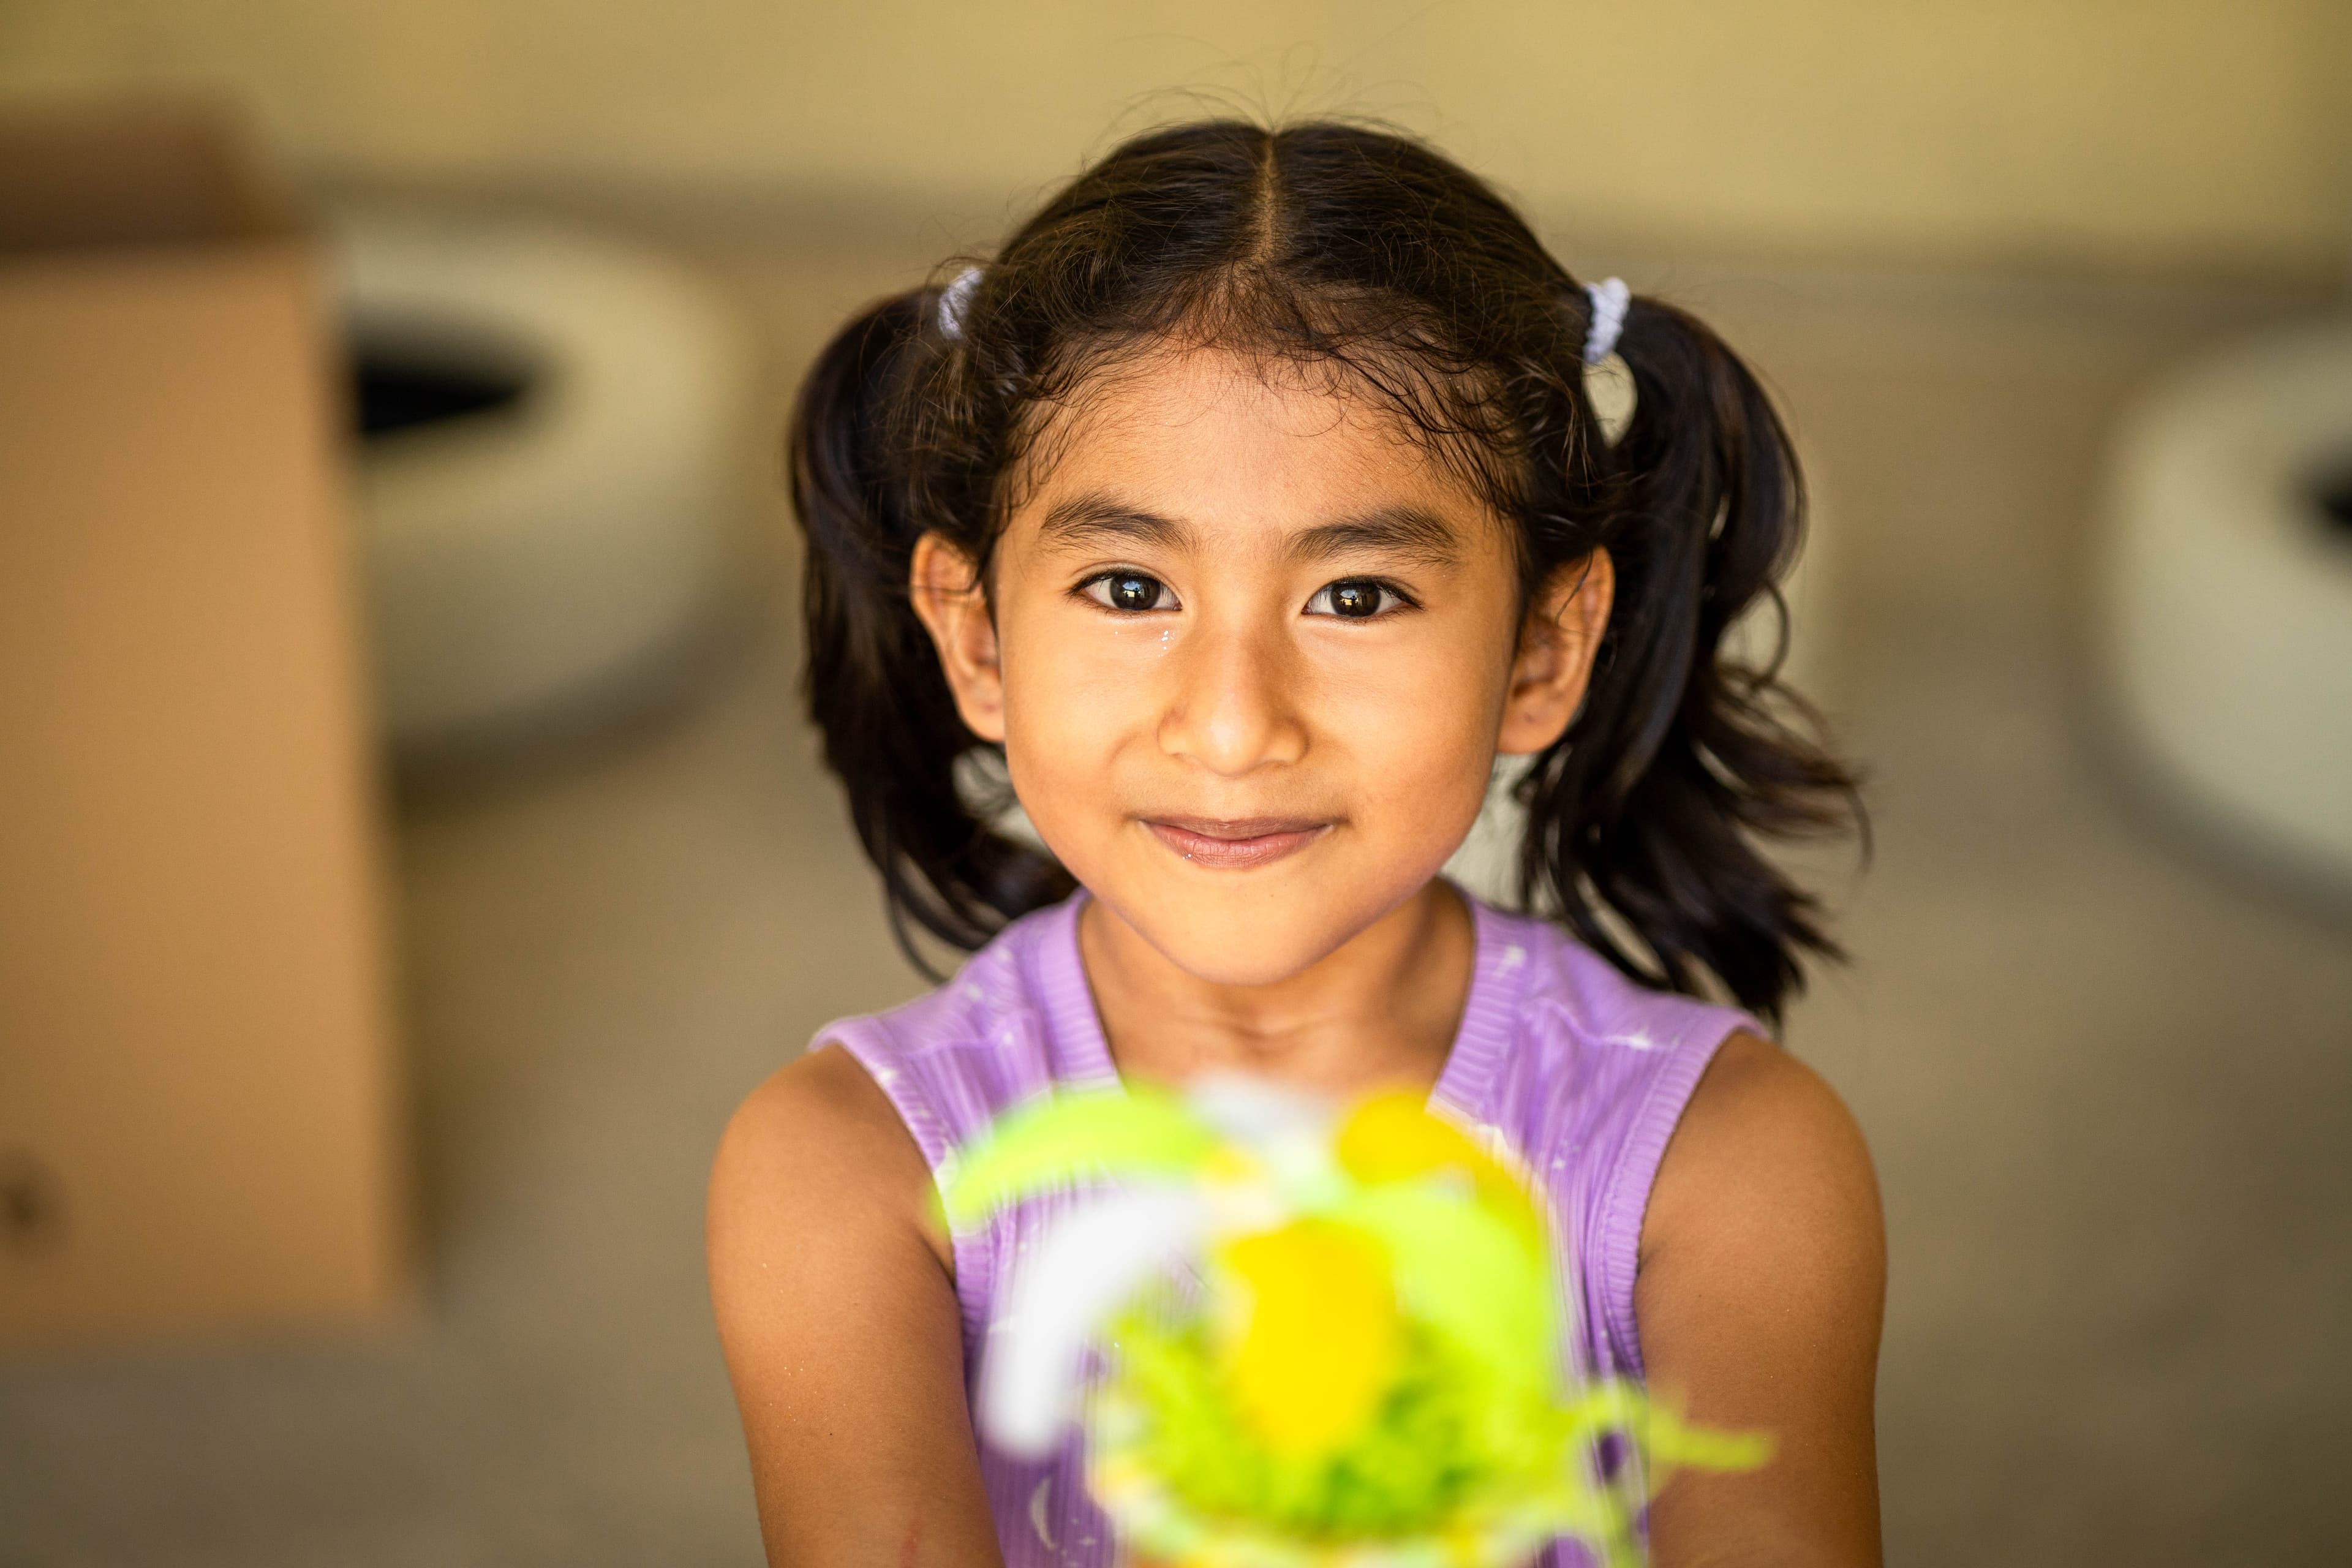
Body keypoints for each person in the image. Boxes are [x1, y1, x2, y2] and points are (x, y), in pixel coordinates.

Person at [707, 119, 1883, 1568]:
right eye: (1132, 586)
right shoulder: (850, 1177)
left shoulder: (1728, 1170)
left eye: (1359, 597)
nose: (1233, 723)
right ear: (977, 635)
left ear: (1541, 646)